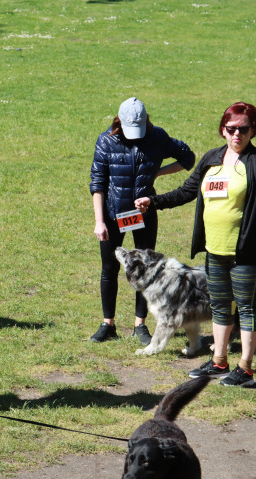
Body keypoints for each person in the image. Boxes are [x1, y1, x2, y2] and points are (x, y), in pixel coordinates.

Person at [134, 102, 256, 387]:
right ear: (222, 130)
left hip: (248, 253)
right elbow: (187, 191)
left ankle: (246, 368)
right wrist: (153, 202)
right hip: (214, 250)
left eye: (244, 129)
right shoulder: (212, 159)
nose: (237, 134)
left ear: (254, 131)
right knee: (218, 306)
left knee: (247, 308)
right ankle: (219, 361)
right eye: (231, 129)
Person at [89, 97, 195, 345]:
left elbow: (188, 159)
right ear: (119, 121)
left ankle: (140, 324)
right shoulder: (106, 141)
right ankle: (108, 324)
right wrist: (99, 221)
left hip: (144, 214)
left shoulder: (157, 137)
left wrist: (158, 171)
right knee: (109, 268)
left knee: (145, 268)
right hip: (113, 215)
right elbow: (97, 183)